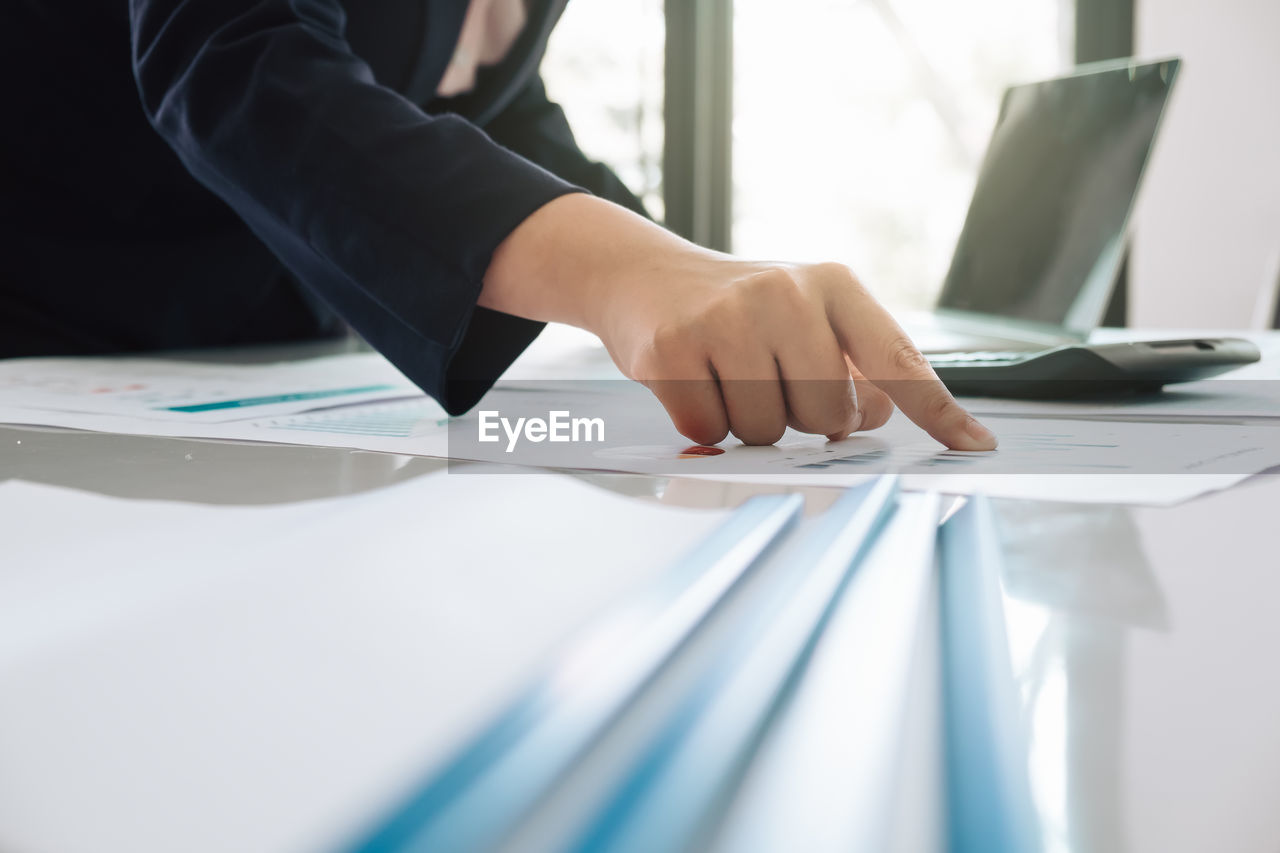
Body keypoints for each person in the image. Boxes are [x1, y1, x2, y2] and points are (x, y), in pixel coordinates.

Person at [1, 0, 997, 450]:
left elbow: (497, 110)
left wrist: (692, 272)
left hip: (235, 366)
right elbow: (229, 57)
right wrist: (622, 273)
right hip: (45, 336)